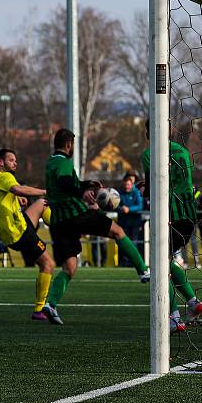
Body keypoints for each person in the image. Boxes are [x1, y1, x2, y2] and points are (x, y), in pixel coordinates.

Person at [40, 129, 150, 326]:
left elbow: (65, 183)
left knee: (70, 268)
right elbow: (66, 183)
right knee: (118, 232)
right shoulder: (64, 162)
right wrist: (82, 193)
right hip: (75, 215)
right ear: (68, 145)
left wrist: (86, 184)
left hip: (58, 222)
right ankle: (143, 270)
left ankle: (51, 304)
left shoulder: (51, 162)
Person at [141, 121, 202, 332]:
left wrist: (145, 189)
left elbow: (152, 190)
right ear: (170, 131)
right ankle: (193, 302)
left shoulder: (149, 153)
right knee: (166, 260)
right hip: (188, 217)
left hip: (169, 216)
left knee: (159, 263)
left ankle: (174, 317)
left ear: (148, 132)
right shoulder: (183, 152)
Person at [0, 148, 54, 321]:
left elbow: (8, 197)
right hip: (20, 233)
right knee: (48, 264)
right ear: (1, 162)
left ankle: (63, 226)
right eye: (11, 160)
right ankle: (39, 309)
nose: (15, 163)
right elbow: (18, 189)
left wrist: (18, 199)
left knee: (42, 204)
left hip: (14, 231)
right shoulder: (5, 176)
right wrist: (46, 190)